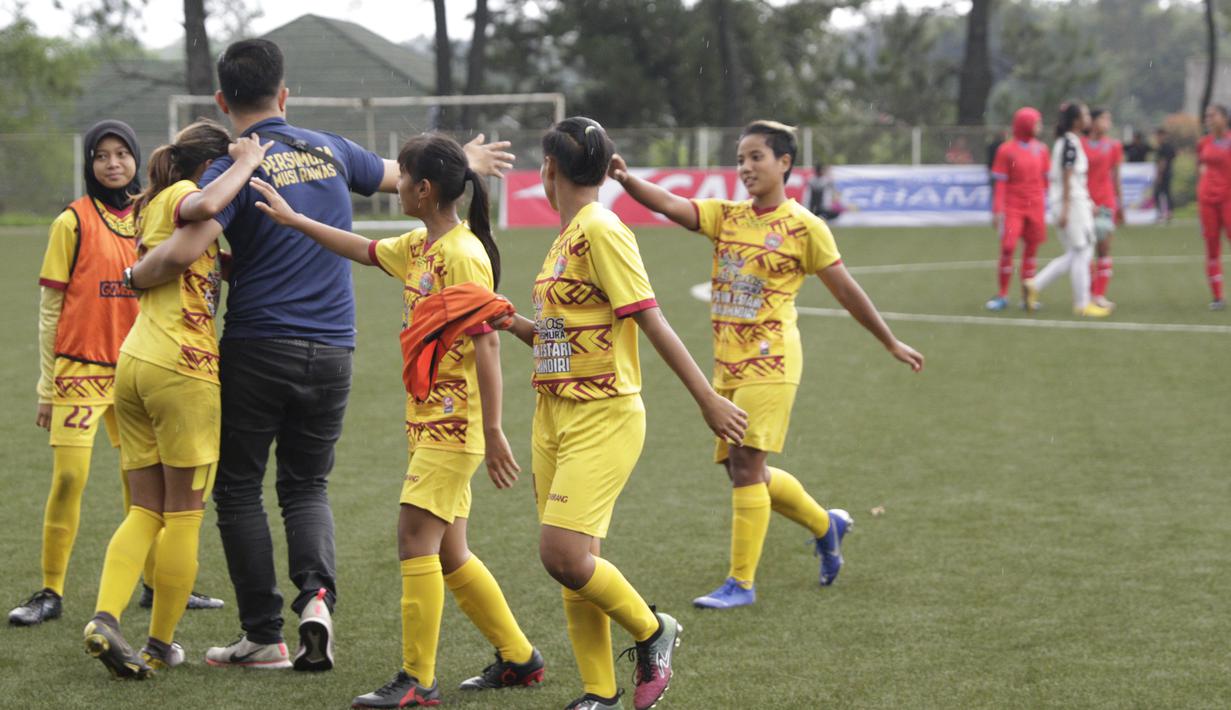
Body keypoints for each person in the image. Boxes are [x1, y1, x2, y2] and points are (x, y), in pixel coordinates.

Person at [179, 39, 512, 673]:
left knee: (240, 488)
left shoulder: (231, 169)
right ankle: (318, 600)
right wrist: (462, 158)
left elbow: (192, 231)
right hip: (335, 348)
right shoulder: (328, 148)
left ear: (222, 102)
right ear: (285, 94)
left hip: (259, 342)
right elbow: (398, 173)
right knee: (307, 485)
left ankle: (262, 636)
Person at [247, 133, 544, 707]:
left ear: (425, 189)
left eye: (403, 177)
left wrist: (493, 430)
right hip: (428, 420)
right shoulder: (419, 244)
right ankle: (519, 656)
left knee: (413, 537)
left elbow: (486, 344)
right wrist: (294, 220)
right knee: (451, 551)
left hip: (454, 426)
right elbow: (361, 248)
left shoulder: (463, 254)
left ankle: (417, 680)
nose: (397, 185)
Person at [608, 120, 923, 611]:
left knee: (749, 463)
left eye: (756, 157)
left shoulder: (805, 227)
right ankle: (826, 525)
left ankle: (741, 583)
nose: (746, 168)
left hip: (772, 360)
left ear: (784, 164)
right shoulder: (727, 216)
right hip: (727, 363)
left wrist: (889, 341)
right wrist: (627, 181)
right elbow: (673, 206)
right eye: (740, 159)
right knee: (742, 471)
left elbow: (846, 291)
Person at [493, 117, 747, 710]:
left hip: (602, 415)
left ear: (549, 169)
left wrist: (707, 398)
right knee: (576, 562)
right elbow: (564, 338)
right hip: (552, 412)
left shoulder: (602, 229)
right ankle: (599, 692)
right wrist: (510, 322)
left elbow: (650, 318)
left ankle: (654, 629)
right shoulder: (568, 237)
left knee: (562, 553)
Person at [9, 120, 224, 628]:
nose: (112, 164)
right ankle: (50, 591)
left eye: (121, 153)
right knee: (68, 478)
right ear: (89, 164)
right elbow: (50, 307)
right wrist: (46, 385)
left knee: (140, 491)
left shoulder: (154, 211)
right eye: (101, 155)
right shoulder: (72, 221)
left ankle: (158, 585)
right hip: (79, 369)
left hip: (135, 365)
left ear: (136, 159)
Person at [82, 122, 271, 678]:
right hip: (182, 367)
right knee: (184, 516)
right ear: (211, 165)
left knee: (145, 509)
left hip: (135, 360)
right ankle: (160, 645)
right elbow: (206, 204)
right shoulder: (189, 196)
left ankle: (105, 617)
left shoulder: (151, 203)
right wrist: (247, 162)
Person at [1024, 101, 1111, 318]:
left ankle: (1035, 285)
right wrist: (1065, 208)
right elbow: (1067, 176)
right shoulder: (1070, 144)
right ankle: (1082, 304)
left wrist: (1088, 203)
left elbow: (1074, 179)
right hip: (1071, 204)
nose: (1089, 119)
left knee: (1076, 253)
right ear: (1076, 121)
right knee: (1082, 252)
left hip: (1075, 202)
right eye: (1085, 115)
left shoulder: (1070, 142)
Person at [986, 108, 1050, 312]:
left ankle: (1027, 297)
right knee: (1008, 248)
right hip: (1013, 207)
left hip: (1036, 206)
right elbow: (1001, 184)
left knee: (1031, 251)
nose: (1039, 127)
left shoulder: (1042, 149)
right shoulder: (1006, 150)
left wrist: (1046, 205)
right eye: (1036, 123)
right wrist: (997, 211)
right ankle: (1003, 295)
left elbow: (1045, 181)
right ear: (1024, 124)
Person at [1081, 108, 1124, 310]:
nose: (1108, 123)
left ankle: (1099, 295)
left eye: (1109, 119)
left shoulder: (1114, 145)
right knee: (1086, 250)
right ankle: (1089, 294)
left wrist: (1120, 203)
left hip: (1106, 202)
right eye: (1104, 119)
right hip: (1084, 203)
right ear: (1093, 122)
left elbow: (1116, 176)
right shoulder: (1079, 145)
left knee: (1104, 248)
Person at [1196, 104, 1231, 311]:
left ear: (1225, 118)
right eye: (1207, 115)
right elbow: (1201, 167)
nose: (1208, 118)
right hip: (1207, 201)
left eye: (1213, 115)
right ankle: (1218, 296)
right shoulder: (1203, 143)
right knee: (1212, 248)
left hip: (1228, 199)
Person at [1154, 128, 1176, 223]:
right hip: (1169, 172)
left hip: (1163, 174)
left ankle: (1161, 213)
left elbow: (1163, 162)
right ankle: (1169, 213)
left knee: (1158, 193)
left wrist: (1159, 175)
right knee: (1167, 193)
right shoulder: (1170, 147)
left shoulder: (1163, 147)